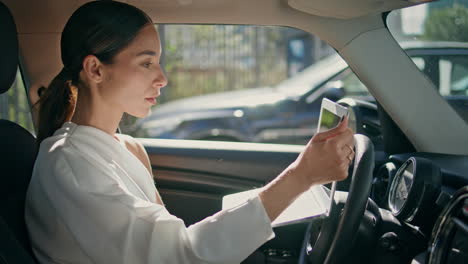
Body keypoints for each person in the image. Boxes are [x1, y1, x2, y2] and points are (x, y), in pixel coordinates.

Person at [25, 1, 355, 263]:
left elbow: (168, 245)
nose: (162, 78)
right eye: (146, 63)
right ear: (95, 69)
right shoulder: (67, 164)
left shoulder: (126, 148)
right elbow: (180, 255)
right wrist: (301, 176)